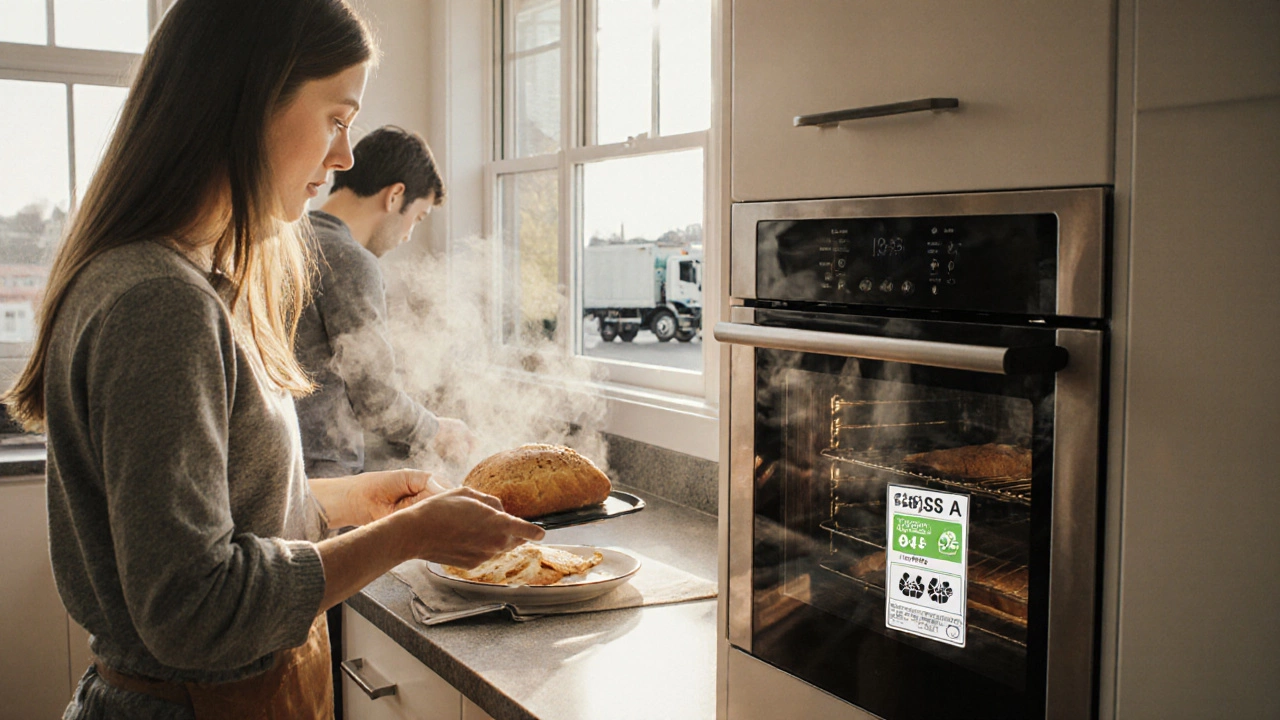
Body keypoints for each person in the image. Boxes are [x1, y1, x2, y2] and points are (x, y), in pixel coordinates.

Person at [1, 1, 544, 718]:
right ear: (251, 101)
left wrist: (352, 503)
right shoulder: (160, 301)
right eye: (337, 118)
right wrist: (407, 536)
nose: (345, 157)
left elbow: (223, 518)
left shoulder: (184, 279)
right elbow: (195, 609)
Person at [295, 126, 474, 481]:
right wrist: (437, 430)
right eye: (417, 218)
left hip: (286, 468)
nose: (407, 236)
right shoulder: (350, 260)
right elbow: (376, 402)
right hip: (322, 474)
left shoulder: (292, 238)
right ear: (394, 196)